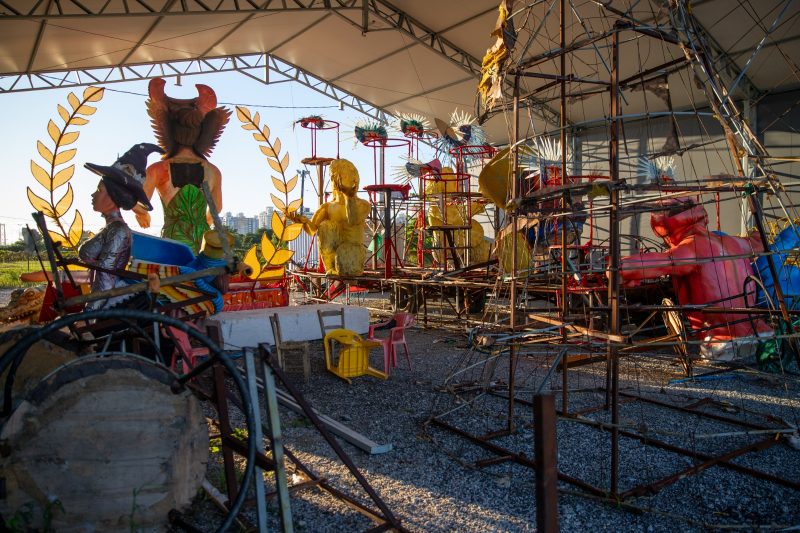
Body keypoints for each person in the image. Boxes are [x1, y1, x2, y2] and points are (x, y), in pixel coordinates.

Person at [617, 198, 773, 361]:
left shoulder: (690, 249)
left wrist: (617, 267)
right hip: (760, 331)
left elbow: (634, 267)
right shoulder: (735, 242)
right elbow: (758, 242)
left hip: (722, 342)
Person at [134, 78, 230, 252]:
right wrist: (202, 223)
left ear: (167, 131)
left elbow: (137, 202)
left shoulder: (157, 169)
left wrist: (141, 213)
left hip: (172, 242)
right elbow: (217, 208)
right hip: (200, 242)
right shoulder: (213, 171)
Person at [80, 143, 163, 310]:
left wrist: (87, 315)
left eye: (99, 189)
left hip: (111, 304)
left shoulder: (118, 231)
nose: (93, 194)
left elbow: (106, 278)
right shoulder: (110, 229)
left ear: (113, 196)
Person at [290, 159, 370, 276]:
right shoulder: (327, 207)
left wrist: (349, 197)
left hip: (352, 254)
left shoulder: (362, 205)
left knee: (346, 251)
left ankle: (343, 269)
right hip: (333, 257)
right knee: (325, 226)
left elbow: (353, 220)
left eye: (349, 176)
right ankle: (331, 267)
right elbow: (313, 230)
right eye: (335, 177)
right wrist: (303, 222)